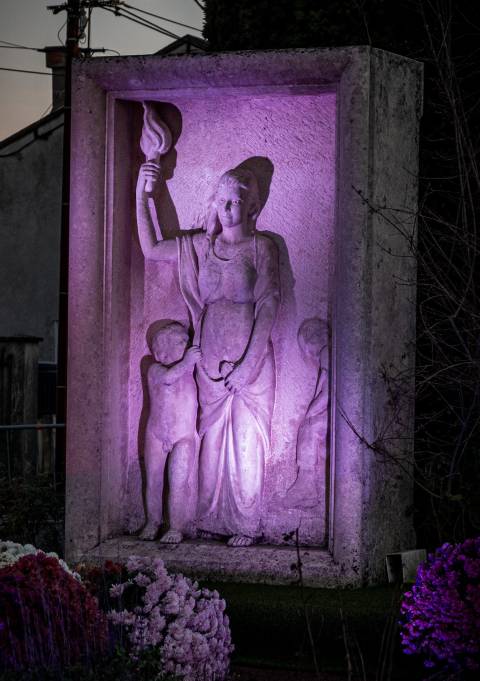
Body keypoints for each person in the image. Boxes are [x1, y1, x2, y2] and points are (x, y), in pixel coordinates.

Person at [136, 161, 280, 547]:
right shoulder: (203, 247)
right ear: (215, 203)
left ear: (252, 207)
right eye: (222, 200)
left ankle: (247, 525)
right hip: (210, 365)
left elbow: (269, 305)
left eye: (237, 201)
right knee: (211, 448)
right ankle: (209, 520)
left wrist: (247, 365)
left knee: (246, 445)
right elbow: (151, 249)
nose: (228, 208)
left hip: (251, 365)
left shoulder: (261, 248)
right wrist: (142, 194)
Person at [139, 322, 201, 543]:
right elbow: (168, 378)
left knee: (178, 482)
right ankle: (152, 522)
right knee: (153, 480)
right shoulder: (154, 369)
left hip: (183, 436)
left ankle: (175, 527)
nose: (187, 344)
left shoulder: (190, 369)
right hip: (156, 434)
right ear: (162, 351)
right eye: (181, 341)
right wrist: (187, 362)